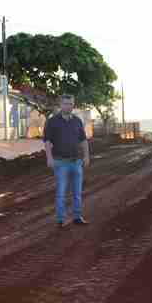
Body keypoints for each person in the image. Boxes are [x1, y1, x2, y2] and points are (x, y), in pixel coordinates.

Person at [43, 94, 91, 227]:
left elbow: (83, 140)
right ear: (60, 105)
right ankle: (61, 219)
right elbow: (47, 141)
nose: (68, 106)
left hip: (76, 162)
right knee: (61, 193)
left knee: (77, 193)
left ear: (73, 105)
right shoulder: (52, 121)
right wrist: (49, 158)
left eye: (70, 104)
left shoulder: (77, 121)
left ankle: (77, 217)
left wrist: (87, 156)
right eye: (65, 104)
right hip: (60, 162)